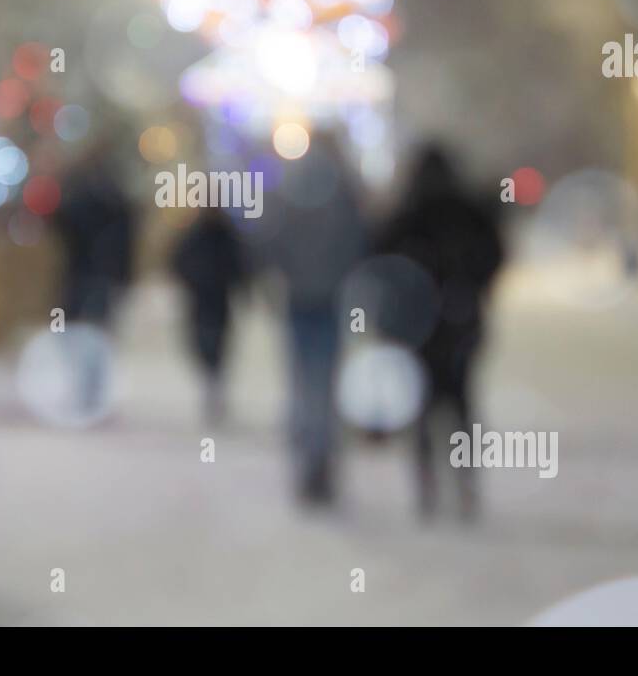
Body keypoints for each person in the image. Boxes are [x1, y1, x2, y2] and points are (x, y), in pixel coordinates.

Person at [377, 145, 504, 520]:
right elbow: (494, 255)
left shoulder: (406, 216)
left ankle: (427, 486)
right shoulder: (469, 212)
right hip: (460, 324)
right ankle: (465, 484)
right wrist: (474, 289)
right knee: (461, 407)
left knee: (420, 410)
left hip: (417, 331)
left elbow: (381, 262)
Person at [269, 134, 367, 505]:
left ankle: (307, 458)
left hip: (299, 296)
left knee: (300, 378)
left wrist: (284, 273)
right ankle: (320, 458)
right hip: (332, 297)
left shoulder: (289, 189)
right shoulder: (344, 191)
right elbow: (359, 240)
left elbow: (271, 237)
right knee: (324, 380)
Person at [51, 145, 134, 411]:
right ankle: (89, 390)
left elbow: (62, 225)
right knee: (92, 332)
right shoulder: (116, 200)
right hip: (97, 275)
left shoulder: (80, 196)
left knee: (82, 332)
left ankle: (87, 390)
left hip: (85, 274)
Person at [171, 208, 250, 425]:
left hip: (213, 300)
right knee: (208, 343)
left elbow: (240, 266)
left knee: (213, 342)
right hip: (207, 299)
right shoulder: (199, 235)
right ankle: (212, 380)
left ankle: (213, 382)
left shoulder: (224, 236)